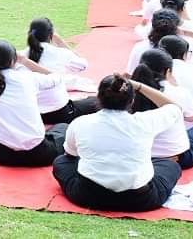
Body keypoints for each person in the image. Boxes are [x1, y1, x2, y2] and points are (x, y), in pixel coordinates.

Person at [52, 74, 184, 212]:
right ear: (132, 101)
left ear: (98, 97)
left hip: (89, 196)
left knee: (61, 162)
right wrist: (140, 86)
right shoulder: (145, 122)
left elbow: (70, 154)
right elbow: (175, 108)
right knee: (170, 165)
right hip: (139, 200)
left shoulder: (81, 122)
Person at [0, 40, 69, 173]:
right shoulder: (27, 78)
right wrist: (25, 61)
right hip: (40, 155)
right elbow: (56, 77)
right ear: (13, 60)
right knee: (63, 127)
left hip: (1, 156)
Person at [131, 49, 193, 169]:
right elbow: (192, 117)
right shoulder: (176, 93)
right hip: (172, 156)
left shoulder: (126, 93)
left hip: (136, 154)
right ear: (168, 71)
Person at [24, 18, 97, 124]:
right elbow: (83, 65)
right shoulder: (60, 53)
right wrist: (60, 42)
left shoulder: (21, 56)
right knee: (96, 101)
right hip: (59, 113)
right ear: (51, 35)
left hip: (30, 115)